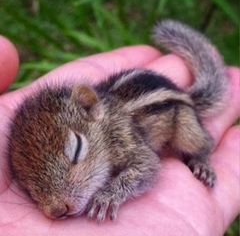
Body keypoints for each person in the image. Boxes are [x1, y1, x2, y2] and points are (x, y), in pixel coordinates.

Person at [0, 35, 239, 235]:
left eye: (75, 152)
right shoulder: (60, 175)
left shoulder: (116, 131)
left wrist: (114, 192)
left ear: (89, 108)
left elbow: (147, 165)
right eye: (32, 189)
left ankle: (202, 154)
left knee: (190, 138)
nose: (54, 207)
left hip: (173, 112)